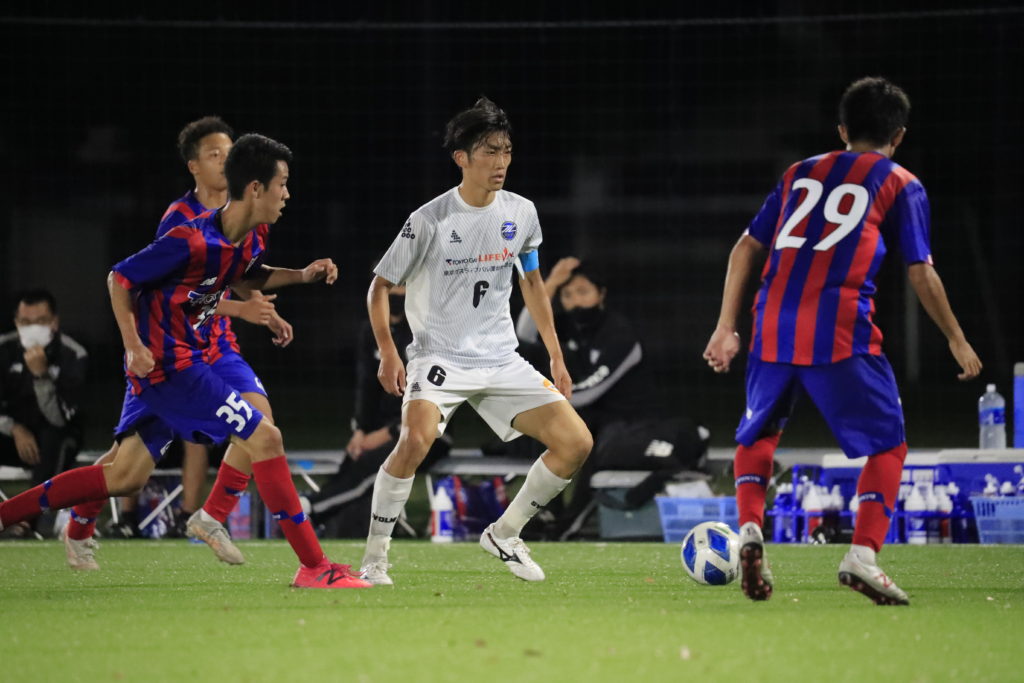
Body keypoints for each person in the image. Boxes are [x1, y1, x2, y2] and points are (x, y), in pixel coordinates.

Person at [0, 133, 371, 589]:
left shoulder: (250, 235)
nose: (287, 194)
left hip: (188, 356)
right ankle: (314, 566)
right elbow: (120, 279)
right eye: (283, 184)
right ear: (256, 188)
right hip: (170, 365)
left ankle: (8, 514)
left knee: (125, 475)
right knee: (265, 436)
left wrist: (301, 275)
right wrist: (133, 345)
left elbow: (247, 275)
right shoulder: (189, 237)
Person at [703, 77, 982, 606]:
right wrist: (956, 338)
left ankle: (750, 529)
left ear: (841, 130)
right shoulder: (901, 182)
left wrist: (725, 326)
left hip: (770, 324)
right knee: (888, 445)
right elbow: (920, 271)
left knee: (758, 435)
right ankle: (862, 556)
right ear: (898, 135)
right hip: (839, 329)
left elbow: (745, 247)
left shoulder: (798, 173)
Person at [358, 97, 593, 585]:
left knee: (575, 443)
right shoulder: (429, 220)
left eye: (506, 150)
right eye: (489, 151)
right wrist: (388, 351)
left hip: (500, 358)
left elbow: (532, 281)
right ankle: (375, 558)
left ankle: (505, 533)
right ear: (461, 158)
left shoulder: (521, 213)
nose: (501, 161)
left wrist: (555, 355)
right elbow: (379, 287)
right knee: (414, 440)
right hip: (439, 356)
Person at [64, 116, 291, 567]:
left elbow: (237, 275)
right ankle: (81, 519)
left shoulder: (250, 211)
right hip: (173, 348)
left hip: (217, 346)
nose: (224, 160)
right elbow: (172, 293)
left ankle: (210, 516)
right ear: (194, 167)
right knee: (126, 466)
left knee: (261, 424)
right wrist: (241, 309)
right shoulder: (180, 220)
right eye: (214, 154)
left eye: (229, 152)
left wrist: (265, 308)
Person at [517, 259, 709, 538]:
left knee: (580, 436)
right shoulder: (568, 327)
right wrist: (551, 284)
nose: (576, 301)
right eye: (567, 295)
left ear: (601, 294)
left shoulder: (619, 334)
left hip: (631, 421)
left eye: (583, 292)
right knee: (549, 430)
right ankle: (548, 511)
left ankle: (568, 522)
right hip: (594, 417)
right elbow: (524, 334)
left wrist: (547, 404)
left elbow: (593, 390)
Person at [302, 285, 449, 537]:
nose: (398, 295)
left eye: (403, 287)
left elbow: (432, 396)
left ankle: (310, 509)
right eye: (392, 287)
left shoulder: (425, 331)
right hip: (384, 429)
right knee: (352, 461)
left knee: (374, 465)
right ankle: (327, 525)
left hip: (429, 430)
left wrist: (387, 433)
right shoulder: (371, 333)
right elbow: (366, 387)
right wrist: (360, 431)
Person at [0, 290, 88, 536]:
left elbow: (59, 418)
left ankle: (27, 522)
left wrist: (41, 376)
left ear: (54, 322)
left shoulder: (73, 354)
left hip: (57, 437)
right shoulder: (4, 349)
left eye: (40, 321)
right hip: (13, 434)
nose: (32, 328)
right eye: (25, 322)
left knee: (54, 437)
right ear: (16, 322)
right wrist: (15, 429)